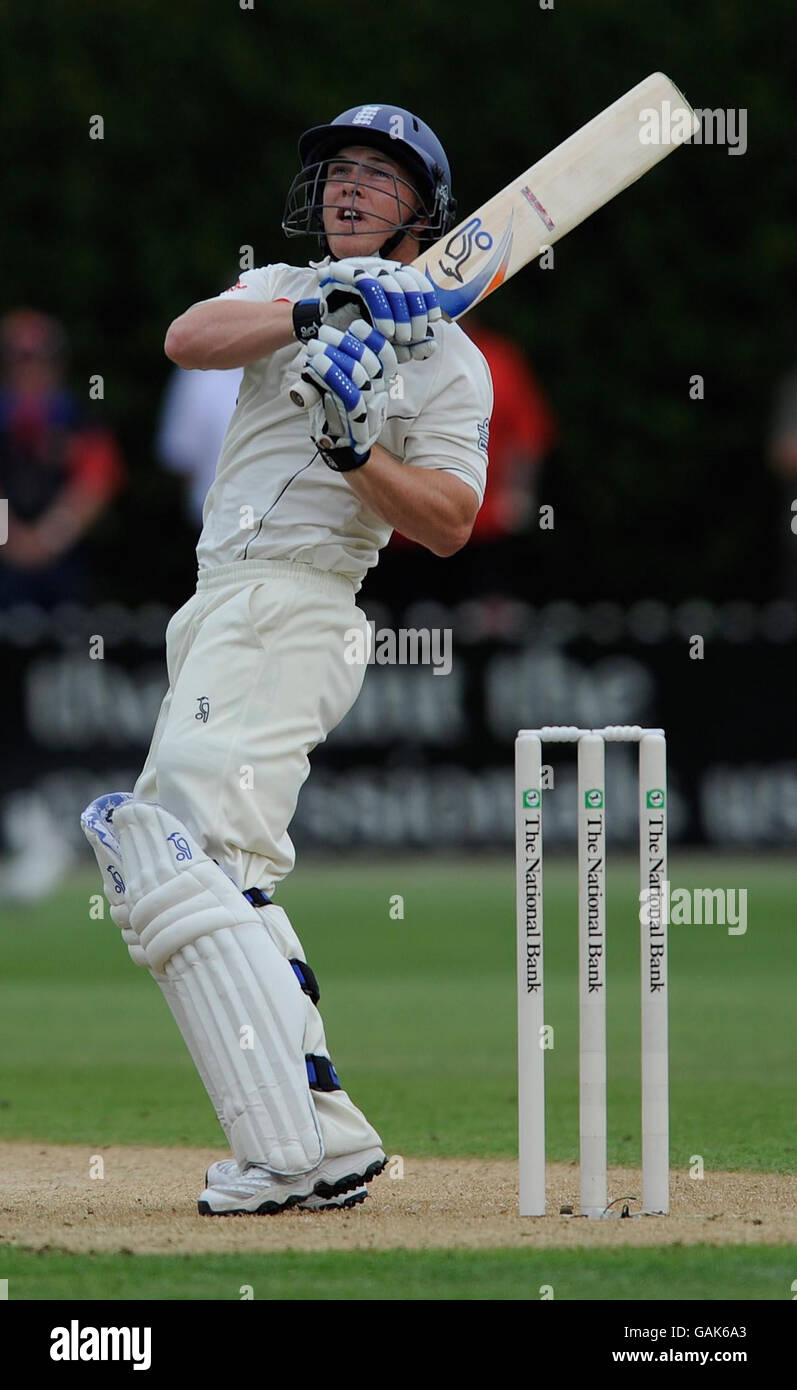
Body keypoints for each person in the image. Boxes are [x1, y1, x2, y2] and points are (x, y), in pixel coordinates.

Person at [81, 104, 493, 1215]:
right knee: (190, 869)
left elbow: (452, 517)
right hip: (218, 601)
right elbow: (185, 338)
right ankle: (320, 1131)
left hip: (302, 598)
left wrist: (354, 451)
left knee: (193, 853)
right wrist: (318, 302)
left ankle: (296, 1146)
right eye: (337, 173)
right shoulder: (279, 288)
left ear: (425, 211)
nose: (348, 189)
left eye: (378, 176)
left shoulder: (449, 360)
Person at [0, 310, 124, 608]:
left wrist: (47, 539)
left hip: (67, 567)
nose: (30, 366)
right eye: (19, 356)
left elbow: (95, 484)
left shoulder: (80, 417)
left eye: (41, 356)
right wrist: (10, 539)